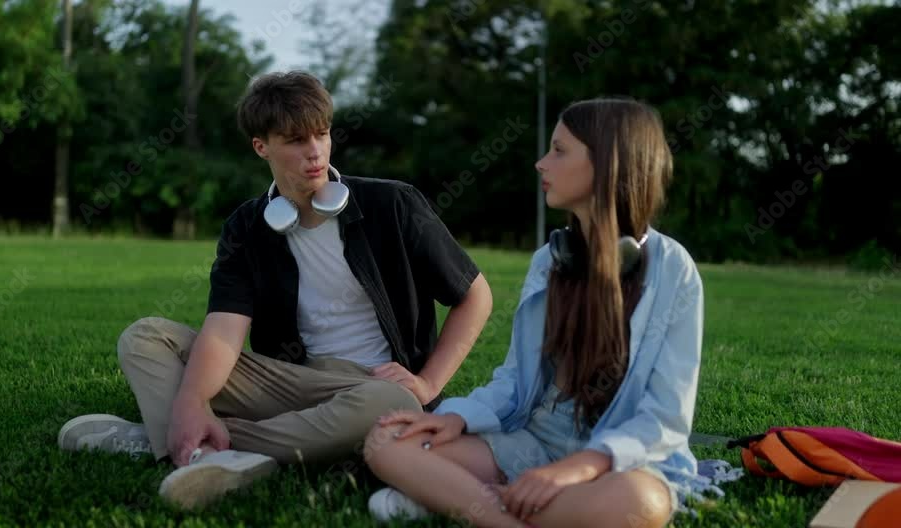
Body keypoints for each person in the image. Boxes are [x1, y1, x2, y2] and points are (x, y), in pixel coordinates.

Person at [57, 71, 494, 510]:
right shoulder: (247, 227)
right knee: (145, 338)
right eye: (295, 140)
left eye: (322, 135)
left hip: (375, 385)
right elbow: (225, 332)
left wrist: (427, 382)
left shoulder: (393, 204)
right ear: (261, 146)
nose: (315, 152)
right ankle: (196, 430)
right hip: (290, 380)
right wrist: (193, 398)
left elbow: (475, 295)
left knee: (391, 400)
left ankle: (182, 439)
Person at [363, 98, 731, 528]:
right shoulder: (549, 261)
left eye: (559, 150)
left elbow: (666, 415)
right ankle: (510, 515)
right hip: (536, 440)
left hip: (621, 460)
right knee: (387, 441)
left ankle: (460, 502)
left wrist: (578, 468)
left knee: (640, 504)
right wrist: (455, 418)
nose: (541, 163)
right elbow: (516, 383)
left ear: (609, 162)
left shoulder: (673, 269)